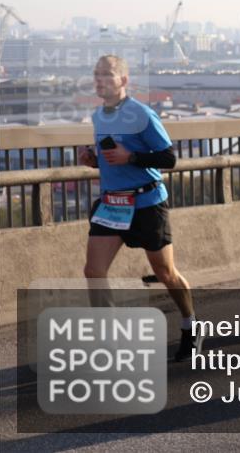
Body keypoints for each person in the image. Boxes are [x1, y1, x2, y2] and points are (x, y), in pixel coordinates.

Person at [79, 55, 201, 361]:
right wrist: (94, 160)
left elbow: (169, 159)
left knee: (165, 272)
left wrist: (131, 158)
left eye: (106, 74)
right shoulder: (98, 115)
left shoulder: (142, 114)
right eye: (96, 75)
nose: (99, 80)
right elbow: (112, 158)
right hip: (112, 204)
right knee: (94, 271)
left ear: (123, 80)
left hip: (146, 202)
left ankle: (190, 325)